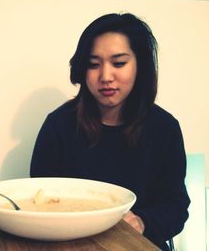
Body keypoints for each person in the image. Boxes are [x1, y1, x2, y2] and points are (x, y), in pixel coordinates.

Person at [30, 13, 190, 250]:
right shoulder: (59, 125)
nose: (105, 76)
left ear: (140, 66)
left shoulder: (164, 128)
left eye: (119, 63)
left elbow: (175, 207)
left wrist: (141, 222)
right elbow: (39, 199)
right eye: (94, 64)